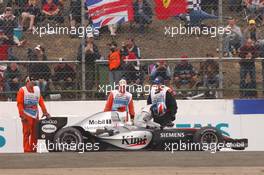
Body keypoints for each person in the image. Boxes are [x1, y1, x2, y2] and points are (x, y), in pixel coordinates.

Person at [17, 76, 50, 152]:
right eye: (31, 81)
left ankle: (34, 149)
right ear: (27, 82)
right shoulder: (22, 90)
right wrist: (22, 115)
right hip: (26, 114)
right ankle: (26, 149)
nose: (33, 83)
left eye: (34, 81)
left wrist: (45, 112)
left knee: (35, 133)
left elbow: (40, 101)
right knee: (26, 132)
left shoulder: (37, 90)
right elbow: (19, 104)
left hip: (35, 114)